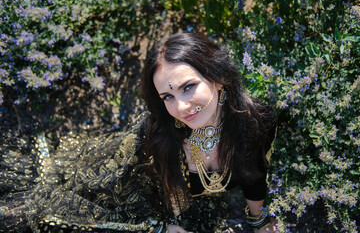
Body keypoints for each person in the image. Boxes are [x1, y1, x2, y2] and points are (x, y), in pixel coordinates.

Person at [0, 32, 277, 233]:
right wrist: (164, 227)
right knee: (51, 210)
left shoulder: (256, 121)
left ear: (218, 78)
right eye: (167, 96)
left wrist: (259, 220)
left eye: (188, 86)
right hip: (138, 197)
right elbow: (136, 190)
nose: (181, 107)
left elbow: (253, 172)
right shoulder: (159, 134)